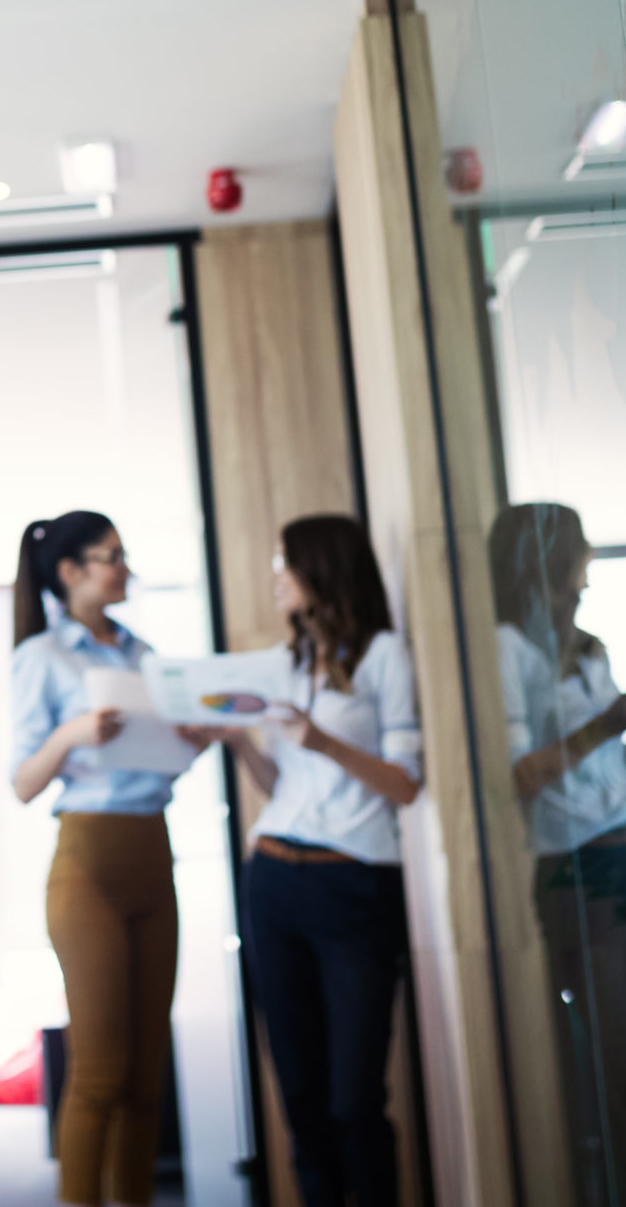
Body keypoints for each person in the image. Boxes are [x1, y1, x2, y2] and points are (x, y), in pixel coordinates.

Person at [10, 513, 215, 1207]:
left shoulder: (144, 654)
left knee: (145, 1077)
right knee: (99, 1070)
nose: (124, 568)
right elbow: (23, 782)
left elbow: (161, 765)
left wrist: (192, 742)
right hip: (87, 864)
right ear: (70, 572)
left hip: (153, 853)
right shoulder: (42, 657)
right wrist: (74, 731)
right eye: (111, 556)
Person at [488, 503, 626, 1207]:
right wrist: (604, 723)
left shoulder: (591, 645)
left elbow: (614, 764)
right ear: (546, 558)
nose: (587, 565)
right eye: (578, 550)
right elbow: (522, 774)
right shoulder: (506, 649)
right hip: (583, 872)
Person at [223, 514, 421, 1207]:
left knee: (354, 1098)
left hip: (355, 882)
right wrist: (239, 742)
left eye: (287, 563)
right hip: (273, 878)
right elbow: (284, 786)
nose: (277, 576)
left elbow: (405, 782)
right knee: (301, 1097)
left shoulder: (383, 656)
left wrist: (323, 742)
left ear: (324, 569)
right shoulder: (284, 664)